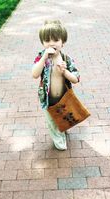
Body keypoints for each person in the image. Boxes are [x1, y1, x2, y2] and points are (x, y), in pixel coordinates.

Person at [32, 20, 80, 150]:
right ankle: (59, 140)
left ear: (62, 42)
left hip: (64, 97)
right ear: (42, 43)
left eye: (55, 40)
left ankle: (63, 128)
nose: (51, 43)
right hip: (48, 99)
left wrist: (65, 72)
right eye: (47, 40)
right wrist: (43, 58)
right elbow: (35, 74)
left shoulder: (66, 59)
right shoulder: (41, 58)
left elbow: (75, 79)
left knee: (64, 118)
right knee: (52, 122)